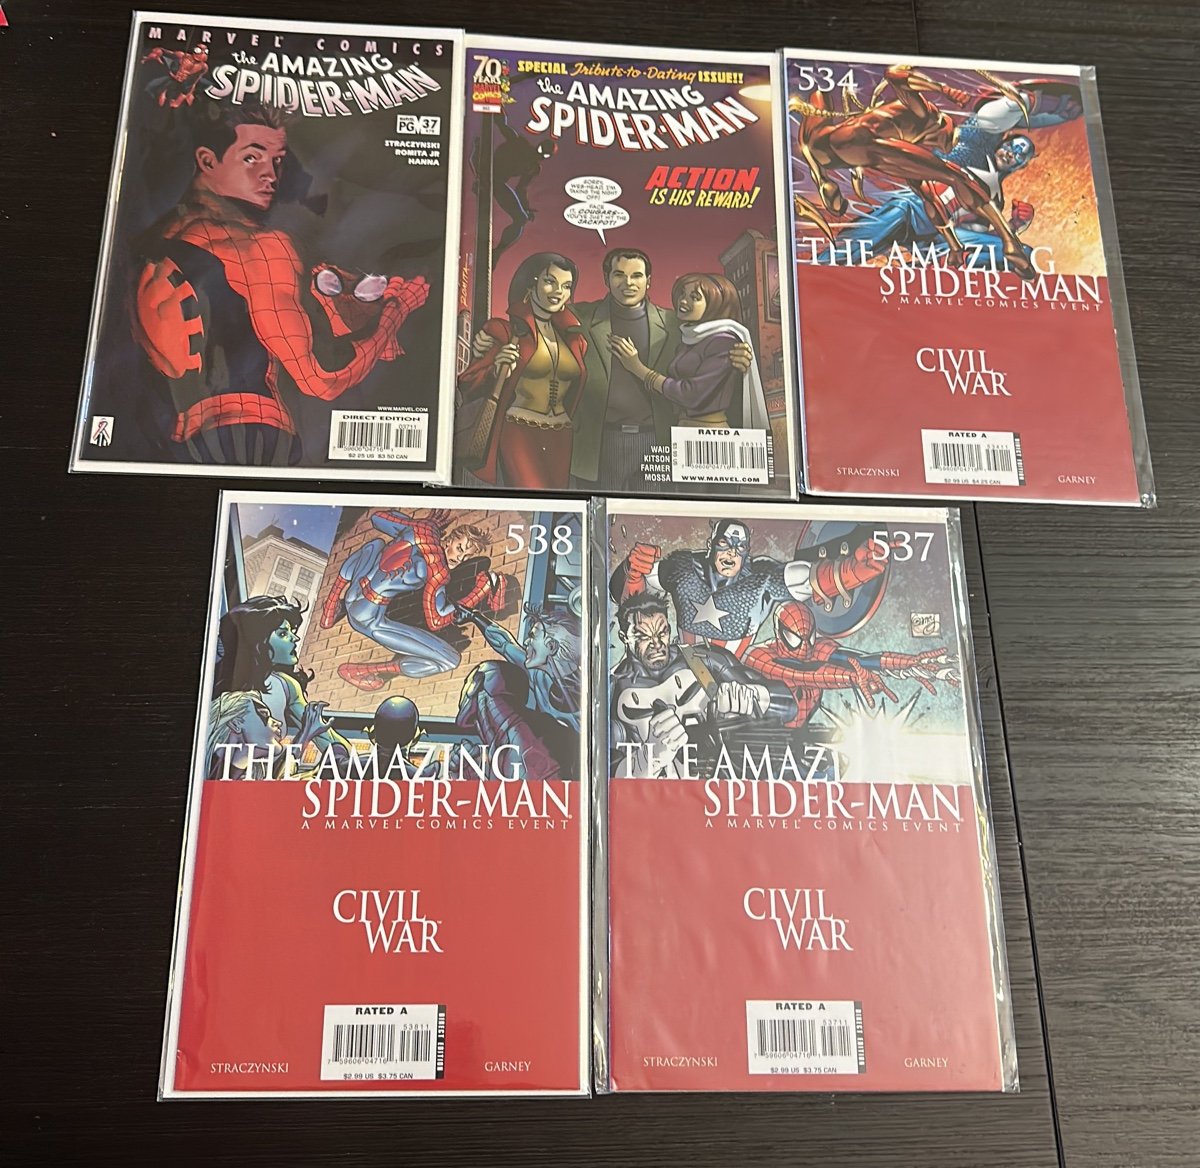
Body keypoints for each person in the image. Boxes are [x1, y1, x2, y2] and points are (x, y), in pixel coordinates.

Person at [132, 101, 429, 465]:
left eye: (276, 160)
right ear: (208, 161)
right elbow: (321, 379)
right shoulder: (260, 247)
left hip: (174, 445)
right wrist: (398, 310)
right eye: (251, 158)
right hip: (257, 436)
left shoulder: (151, 241)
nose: (270, 174)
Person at [320, 510, 504, 689]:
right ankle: (362, 671)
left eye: (466, 556)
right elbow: (436, 620)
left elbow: (377, 518)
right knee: (449, 659)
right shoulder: (437, 570)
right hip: (368, 620)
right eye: (459, 549)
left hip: (353, 595)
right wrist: (479, 592)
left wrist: (417, 524)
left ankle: (331, 606)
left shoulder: (420, 530)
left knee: (375, 544)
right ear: (449, 540)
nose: (460, 558)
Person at [455, 252, 587, 488]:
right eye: (550, 281)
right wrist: (496, 370)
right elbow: (468, 380)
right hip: (518, 430)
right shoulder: (503, 331)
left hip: (562, 435)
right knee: (531, 498)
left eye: (566, 286)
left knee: (557, 502)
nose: (559, 291)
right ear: (531, 283)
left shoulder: (575, 340)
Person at [608, 272, 769, 433]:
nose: (683, 301)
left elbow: (690, 395)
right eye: (683, 294)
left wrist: (637, 368)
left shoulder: (723, 342)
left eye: (695, 297)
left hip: (709, 433)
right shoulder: (691, 338)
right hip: (685, 430)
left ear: (715, 304)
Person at [213, 595, 349, 762]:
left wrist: (342, 756)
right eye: (283, 633)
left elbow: (327, 738)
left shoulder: (285, 685)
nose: (295, 638)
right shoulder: (221, 690)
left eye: (292, 631)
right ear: (257, 643)